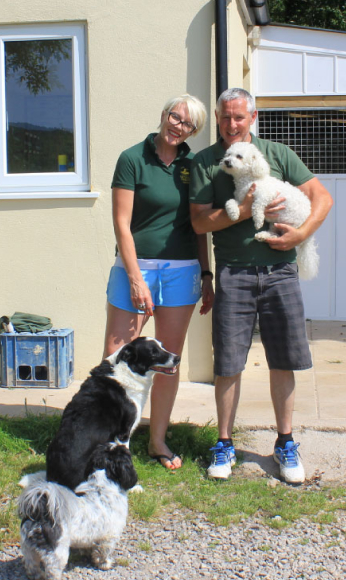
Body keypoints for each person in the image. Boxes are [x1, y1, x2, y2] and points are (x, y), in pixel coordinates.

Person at [189, 88, 333, 483]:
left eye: (239, 117)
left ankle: (285, 442)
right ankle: (224, 443)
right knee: (229, 362)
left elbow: (322, 197)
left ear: (252, 117)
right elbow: (200, 223)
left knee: (284, 359)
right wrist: (243, 212)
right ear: (217, 119)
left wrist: (299, 235)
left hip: (281, 272)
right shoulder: (207, 163)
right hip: (233, 273)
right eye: (225, 118)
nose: (232, 125)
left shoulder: (279, 154)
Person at [104, 94, 213, 470]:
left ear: (193, 132)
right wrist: (136, 278)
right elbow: (122, 224)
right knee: (118, 358)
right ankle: (110, 444)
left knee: (167, 361)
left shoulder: (192, 165)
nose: (177, 126)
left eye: (187, 123)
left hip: (182, 270)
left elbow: (199, 225)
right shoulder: (132, 158)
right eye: (174, 116)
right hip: (135, 267)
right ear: (163, 115)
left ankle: (157, 441)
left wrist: (206, 273)